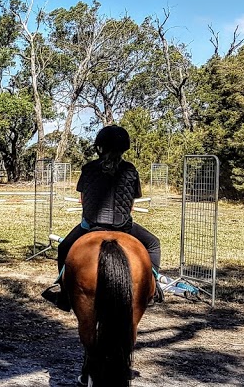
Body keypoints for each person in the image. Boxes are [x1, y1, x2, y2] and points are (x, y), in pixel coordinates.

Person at [41, 125, 164, 311]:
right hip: (123, 226)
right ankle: (153, 287)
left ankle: (64, 293)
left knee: (65, 246)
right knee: (153, 244)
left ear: (100, 147)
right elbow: (131, 202)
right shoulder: (130, 170)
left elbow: (83, 199)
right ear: (124, 149)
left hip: (90, 225)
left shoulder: (88, 169)